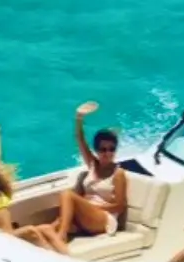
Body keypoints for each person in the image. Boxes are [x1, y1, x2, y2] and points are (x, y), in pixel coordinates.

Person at [53, 101, 130, 243]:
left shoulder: (118, 173)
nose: (107, 153)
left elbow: (120, 206)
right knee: (52, 226)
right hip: (86, 214)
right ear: (97, 150)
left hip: (104, 217)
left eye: (111, 149)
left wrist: (93, 206)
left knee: (67, 195)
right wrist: (79, 118)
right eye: (103, 149)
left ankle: (61, 236)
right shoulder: (93, 164)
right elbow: (80, 140)